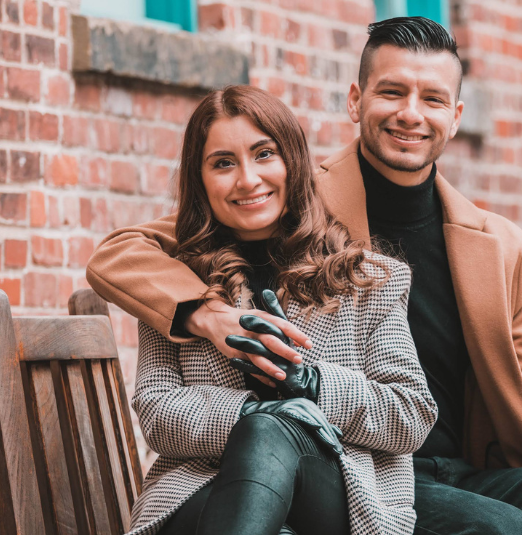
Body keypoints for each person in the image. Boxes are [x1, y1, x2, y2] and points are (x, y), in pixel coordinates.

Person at [90, 17, 522, 535]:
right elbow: (129, 251)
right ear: (356, 102)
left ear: (455, 117)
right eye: (392, 92)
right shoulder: (291, 198)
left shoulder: (499, 245)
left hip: (468, 469)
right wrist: (209, 313)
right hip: (351, 465)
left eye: (432, 99)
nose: (410, 114)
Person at [121, 85, 437, 535]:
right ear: (201, 178)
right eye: (223, 163)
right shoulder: (175, 282)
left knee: (272, 434)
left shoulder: (370, 280)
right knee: (264, 434)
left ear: (292, 162)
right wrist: (252, 412)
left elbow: (411, 414)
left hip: (335, 493)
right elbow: (157, 412)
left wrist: (311, 386)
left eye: (264, 154)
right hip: (201, 488)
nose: (247, 179)